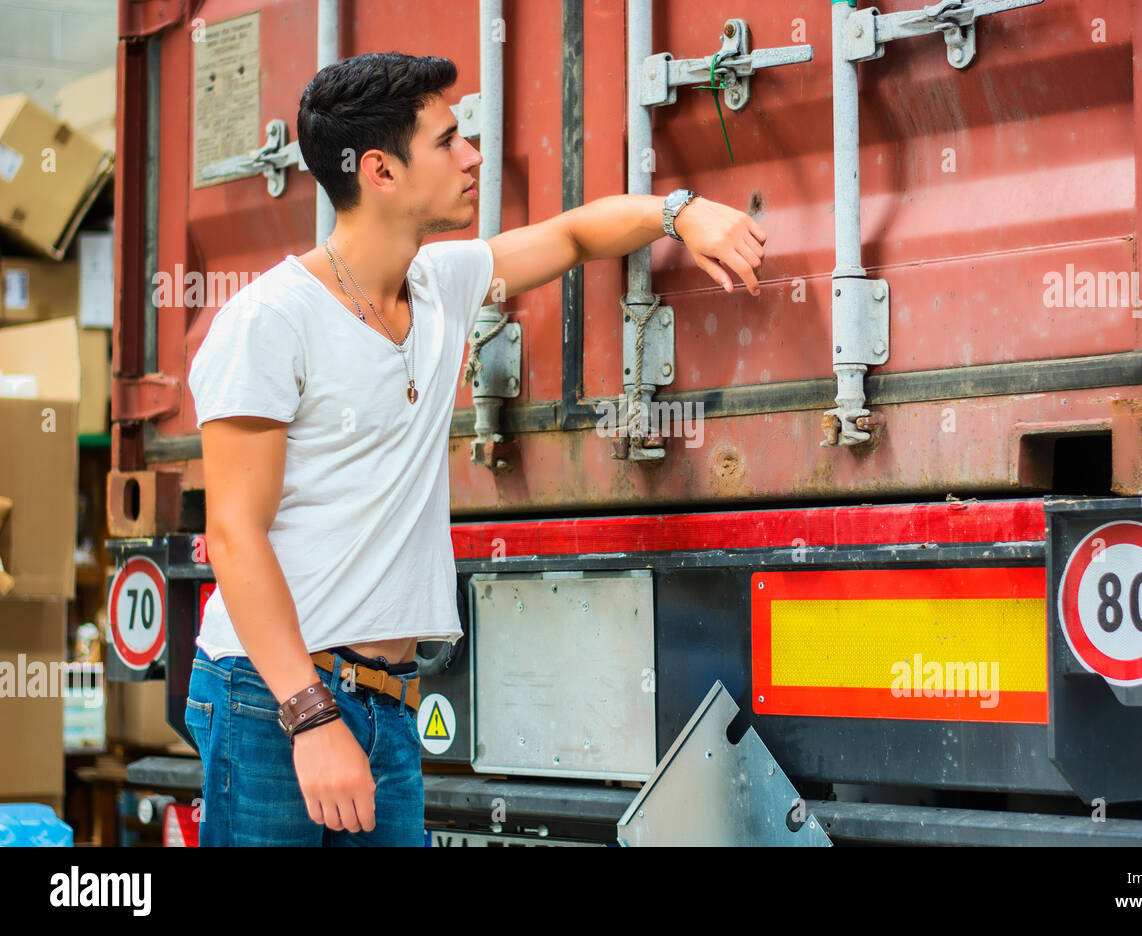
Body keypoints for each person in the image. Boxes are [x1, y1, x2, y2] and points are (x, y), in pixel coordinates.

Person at [185, 51, 766, 846]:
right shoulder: (268, 322)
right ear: (382, 171)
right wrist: (310, 717)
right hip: (273, 698)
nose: (473, 158)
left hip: (383, 700)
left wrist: (680, 212)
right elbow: (234, 536)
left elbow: (570, 236)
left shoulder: (439, 283)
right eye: (450, 141)